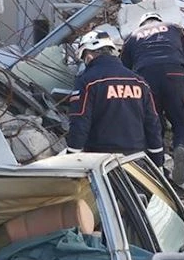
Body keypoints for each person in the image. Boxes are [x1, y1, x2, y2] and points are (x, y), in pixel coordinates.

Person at [66, 30, 165, 167]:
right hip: (136, 159)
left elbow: (80, 122)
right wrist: (158, 162)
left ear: (88, 55)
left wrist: (71, 157)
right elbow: (152, 123)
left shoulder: (87, 81)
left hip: (102, 161)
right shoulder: (139, 82)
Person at [120, 12, 184, 186]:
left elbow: (123, 69)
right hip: (175, 73)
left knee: (153, 123)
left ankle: (157, 167)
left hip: (146, 77)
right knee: (182, 122)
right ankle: (181, 148)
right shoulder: (175, 28)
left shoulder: (132, 37)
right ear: (159, 20)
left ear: (142, 23)